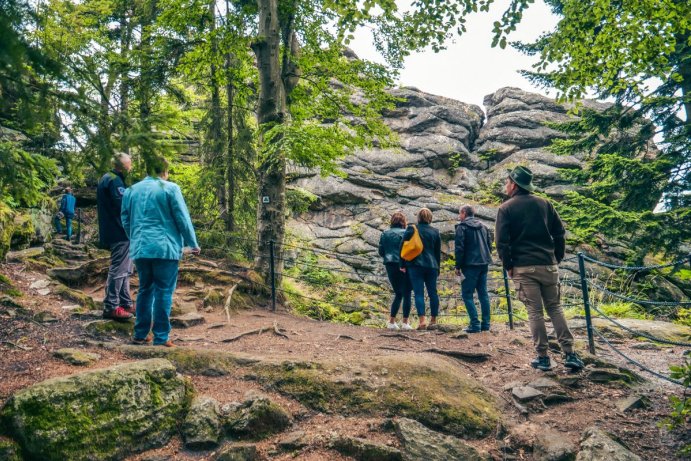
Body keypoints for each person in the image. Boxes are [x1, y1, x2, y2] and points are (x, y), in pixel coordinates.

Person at [495, 166, 584, 371]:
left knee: (534, 311)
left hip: (524, 268)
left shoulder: (506, 208)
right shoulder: (545, 203)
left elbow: (502, 242)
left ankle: (543, 357)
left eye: (507, 182)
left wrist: (509, 265)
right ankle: (569, 353)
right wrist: (556, 258)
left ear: (514, 185)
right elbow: (559, 234)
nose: (506, 186)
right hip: (548, 265)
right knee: (555, 307)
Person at [122, 158, 200, 347]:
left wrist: (134, 238)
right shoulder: (170, 188)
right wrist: (192, 243)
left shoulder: (131, 190)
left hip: (140, 248)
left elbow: (125, 219)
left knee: (145, 290)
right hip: (165, 248)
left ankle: (140, 334)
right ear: (165, 171)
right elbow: (182, 217)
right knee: (164, 291)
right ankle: (161, 337)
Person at [97, 153, 134, 321]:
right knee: (119, 269)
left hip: (114, 229)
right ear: (122, 164)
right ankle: (111, 306)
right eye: (130, 162)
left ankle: (125, 302)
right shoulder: (114, 180)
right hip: (118, 230)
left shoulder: (109, 177)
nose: (131, 165)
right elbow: (122, 205)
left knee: (125, 268)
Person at [401, 208, 441, 330]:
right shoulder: (435, 232)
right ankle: (433, 320)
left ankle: (422, 321)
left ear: (418, 217)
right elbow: (437, 252)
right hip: (432, 266)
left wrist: (402, 264)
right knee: (433, 293)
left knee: (419, 293)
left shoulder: (412, 229)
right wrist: (438, 267)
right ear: (430, 217)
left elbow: (402, 246)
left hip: (415, 265)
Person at [455, 205, 492, 333]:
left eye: (460, 214)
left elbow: (459, 248)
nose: (459, 216)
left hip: (469, 265)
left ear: (464, 213)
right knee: (483, 294)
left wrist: (458, 266)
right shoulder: (484, 226)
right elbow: (489, 245)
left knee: (467, 294)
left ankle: (475, 324)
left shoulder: (462, 227)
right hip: (484, 263)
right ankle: (486, 324)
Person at [378, 212, 413, 330]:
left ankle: (391, 322)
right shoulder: (407, 233)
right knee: (407, 292)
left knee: (398, 293)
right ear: (403, 221)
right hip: (405, 265)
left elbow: (381, 251)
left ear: (392, 221)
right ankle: (405, 323)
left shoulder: (385, 233)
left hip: (390, 264)